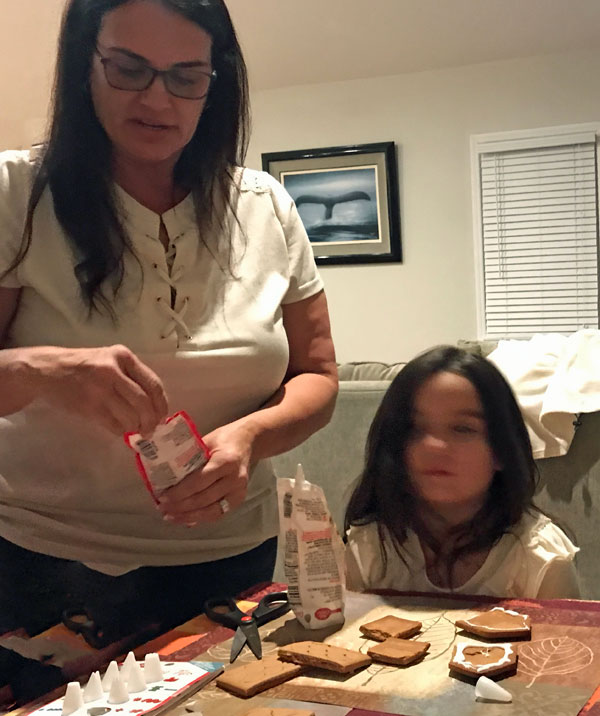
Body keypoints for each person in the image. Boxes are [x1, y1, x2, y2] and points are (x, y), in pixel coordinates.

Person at [0, 0, 338, 642]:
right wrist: (41, 369)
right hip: (41, 563)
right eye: (129, 68)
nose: (158, 99)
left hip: (230, 560)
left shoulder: (265, 205)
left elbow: (318, 375)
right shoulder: (15, 193)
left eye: (187, 76)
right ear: (84, 67)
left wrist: (249, 440)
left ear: (218, 84)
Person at [345, 346, 579, 599]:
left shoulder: (538, 557)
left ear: (501, 450)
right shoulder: (372, 546)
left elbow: (572, 637)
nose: (434, 445)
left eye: (463, 429)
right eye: (414, 428)